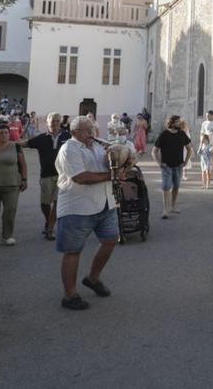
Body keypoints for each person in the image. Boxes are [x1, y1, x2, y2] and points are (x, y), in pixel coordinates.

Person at [54, 115, 118, 311]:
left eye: (93, 129)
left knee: (111, 240)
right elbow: (81, 177)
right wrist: (112, 175)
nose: (92, 133)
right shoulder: (69, 149)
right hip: (77, 207)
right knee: (73, 252)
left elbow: (108, 167)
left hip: (105, 202)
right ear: (74, 133)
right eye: (87, 130)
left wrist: (116, 157)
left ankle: (93, 278)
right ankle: (70, 295)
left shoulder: (97, 146)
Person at [25, 113, 70, 241]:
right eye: (52, 121)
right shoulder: (41, 138)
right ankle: (48, 220)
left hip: (62, 175)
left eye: (57, 121)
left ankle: (50, 228)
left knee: (57, 202)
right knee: (45, 203)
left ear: (60, 122)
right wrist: (6, 143)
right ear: (47, 122)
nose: (55, 123)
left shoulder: (67, 136)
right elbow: (25, 143)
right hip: (46, 175)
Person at [152, 115, 192, 219]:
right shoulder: (164, 134)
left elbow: (189, 149)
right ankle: (165, 210)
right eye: (177, 122)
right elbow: (154, 151)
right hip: (166, 166)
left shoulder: (182, 134)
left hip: (178, 165)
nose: (179, 123)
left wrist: (186, 161)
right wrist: (159, 163)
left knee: (176, 186)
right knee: (166, 187)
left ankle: (173, 206)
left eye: (179, 122)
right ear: (172, 123)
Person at [199, 110, 213, 189]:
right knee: (204, 164)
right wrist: (201, 144)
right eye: (206, 115)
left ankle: (210, 175)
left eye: (208, 115)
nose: (207, 117)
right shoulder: (204, 123)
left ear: (212, 116)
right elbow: (202, 134)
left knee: (212, 161)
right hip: (205, 144)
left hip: (212, 144)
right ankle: (204, 182)